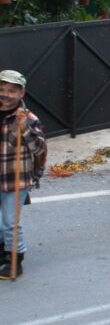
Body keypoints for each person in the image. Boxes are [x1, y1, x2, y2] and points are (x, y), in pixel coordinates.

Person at [0, 70, 46, 280]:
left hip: (15, 179)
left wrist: (24, 128)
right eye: (2, 89)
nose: (6, 94)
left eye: (11, 91)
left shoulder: (29, 119)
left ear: (22, 93)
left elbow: (39, 149)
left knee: (10, 221)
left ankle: (14, 260)